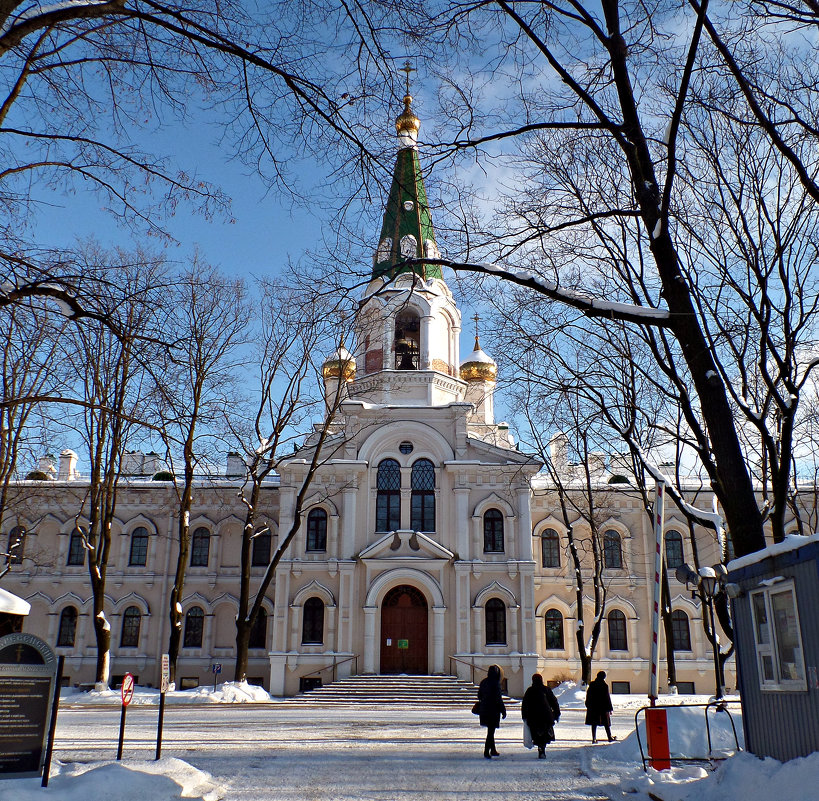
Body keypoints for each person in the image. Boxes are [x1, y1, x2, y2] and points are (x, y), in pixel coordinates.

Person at [521, 673, 561, 758]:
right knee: (544, 734)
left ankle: (540, 748)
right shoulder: (546, 689)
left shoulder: (530, 691)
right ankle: (542, 748)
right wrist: (557, 713)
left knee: (536, 734)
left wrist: (524, 716)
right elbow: (554, 702)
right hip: (546, 716)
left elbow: (525, 704)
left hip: (533, 717)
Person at [477, 664, 506, 758]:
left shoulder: (484, 682)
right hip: (493, 710)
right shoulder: (496, 683)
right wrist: (503, 710)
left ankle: (493, 750)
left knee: (490, 730)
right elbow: (498, 698)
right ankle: (486, 751)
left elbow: (479, 696)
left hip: (484, 709)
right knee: (491, 732)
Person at [585, 671, 616, 743]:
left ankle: (594, 738)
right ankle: (609, 737)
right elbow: (607, 698)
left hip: (593, 707)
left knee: (594, 723)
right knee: (606, 723)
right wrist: (610, 708)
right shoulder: (604, 685)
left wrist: (588, 704)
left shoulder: (592, 684)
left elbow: (588, 695)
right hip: (603, 707)